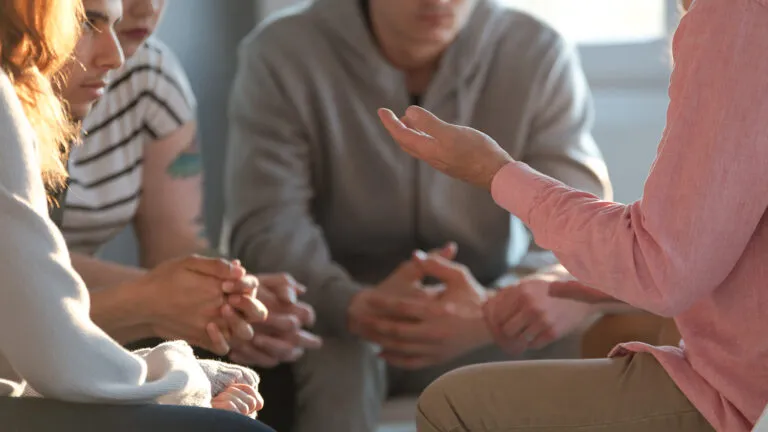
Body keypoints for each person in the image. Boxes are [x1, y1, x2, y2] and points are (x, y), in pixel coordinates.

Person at [223, 0, 613, 430]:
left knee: (615, 335)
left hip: (485, 311)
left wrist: (495, 308)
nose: (438, 1)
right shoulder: (283, 51)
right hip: (335, 317)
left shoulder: (536, 51)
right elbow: (267, 224)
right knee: (330, 357)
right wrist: (350, 304)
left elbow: (583, 224)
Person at [378, 0, 767, 429]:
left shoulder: (737, 15)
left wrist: (494, 173)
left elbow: (662, 264)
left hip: (747, 395)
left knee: (450, 404)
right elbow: (705, 249)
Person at [0, 0, 272, 429]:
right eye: (87, 21)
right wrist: (182, 385)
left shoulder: (151, 77)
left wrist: (223, 298)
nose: (116, 55)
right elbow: (40, 335)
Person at [56, 0, 321, 363]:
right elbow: (22, 262)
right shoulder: (15, 89)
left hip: (76, 313)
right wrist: (154, 294)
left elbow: (178, 251)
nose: (148, 7)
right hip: (39, 316)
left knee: (261, 364)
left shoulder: (149, 75)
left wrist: (228, 296)